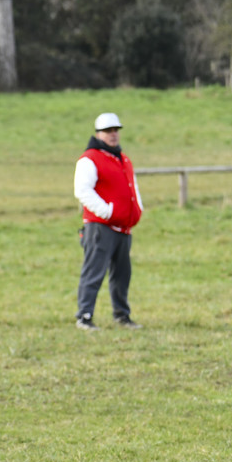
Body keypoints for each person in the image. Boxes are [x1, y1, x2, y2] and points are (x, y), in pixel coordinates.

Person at [75, 112, 144, 330]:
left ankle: (121, 315)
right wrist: (106, 212)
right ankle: (84, 316)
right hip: (100, 227)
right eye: (108, 131)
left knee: (122, 274)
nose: (113, 135)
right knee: (94, 271)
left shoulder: (122, 158)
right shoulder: (90, 158)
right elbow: (83, 191)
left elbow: (132, 187)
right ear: (98, 133)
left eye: (116, 130)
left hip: (123, 227)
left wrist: (137, 210)